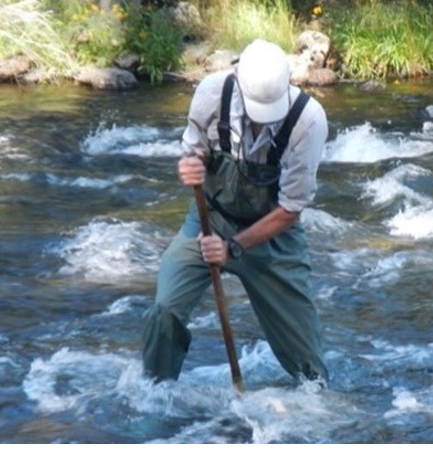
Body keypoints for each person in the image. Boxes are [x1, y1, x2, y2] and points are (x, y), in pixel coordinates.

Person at [141, 39, 329, 387]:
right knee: (164, 312)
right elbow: (193, 154)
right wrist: (190, 167)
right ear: (237, 79)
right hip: (209, 221)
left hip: (275, 237)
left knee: (311, 372)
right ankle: (154, 394)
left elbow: (291, 208)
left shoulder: (309, 121)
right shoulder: (211, 94)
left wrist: (234, 248)